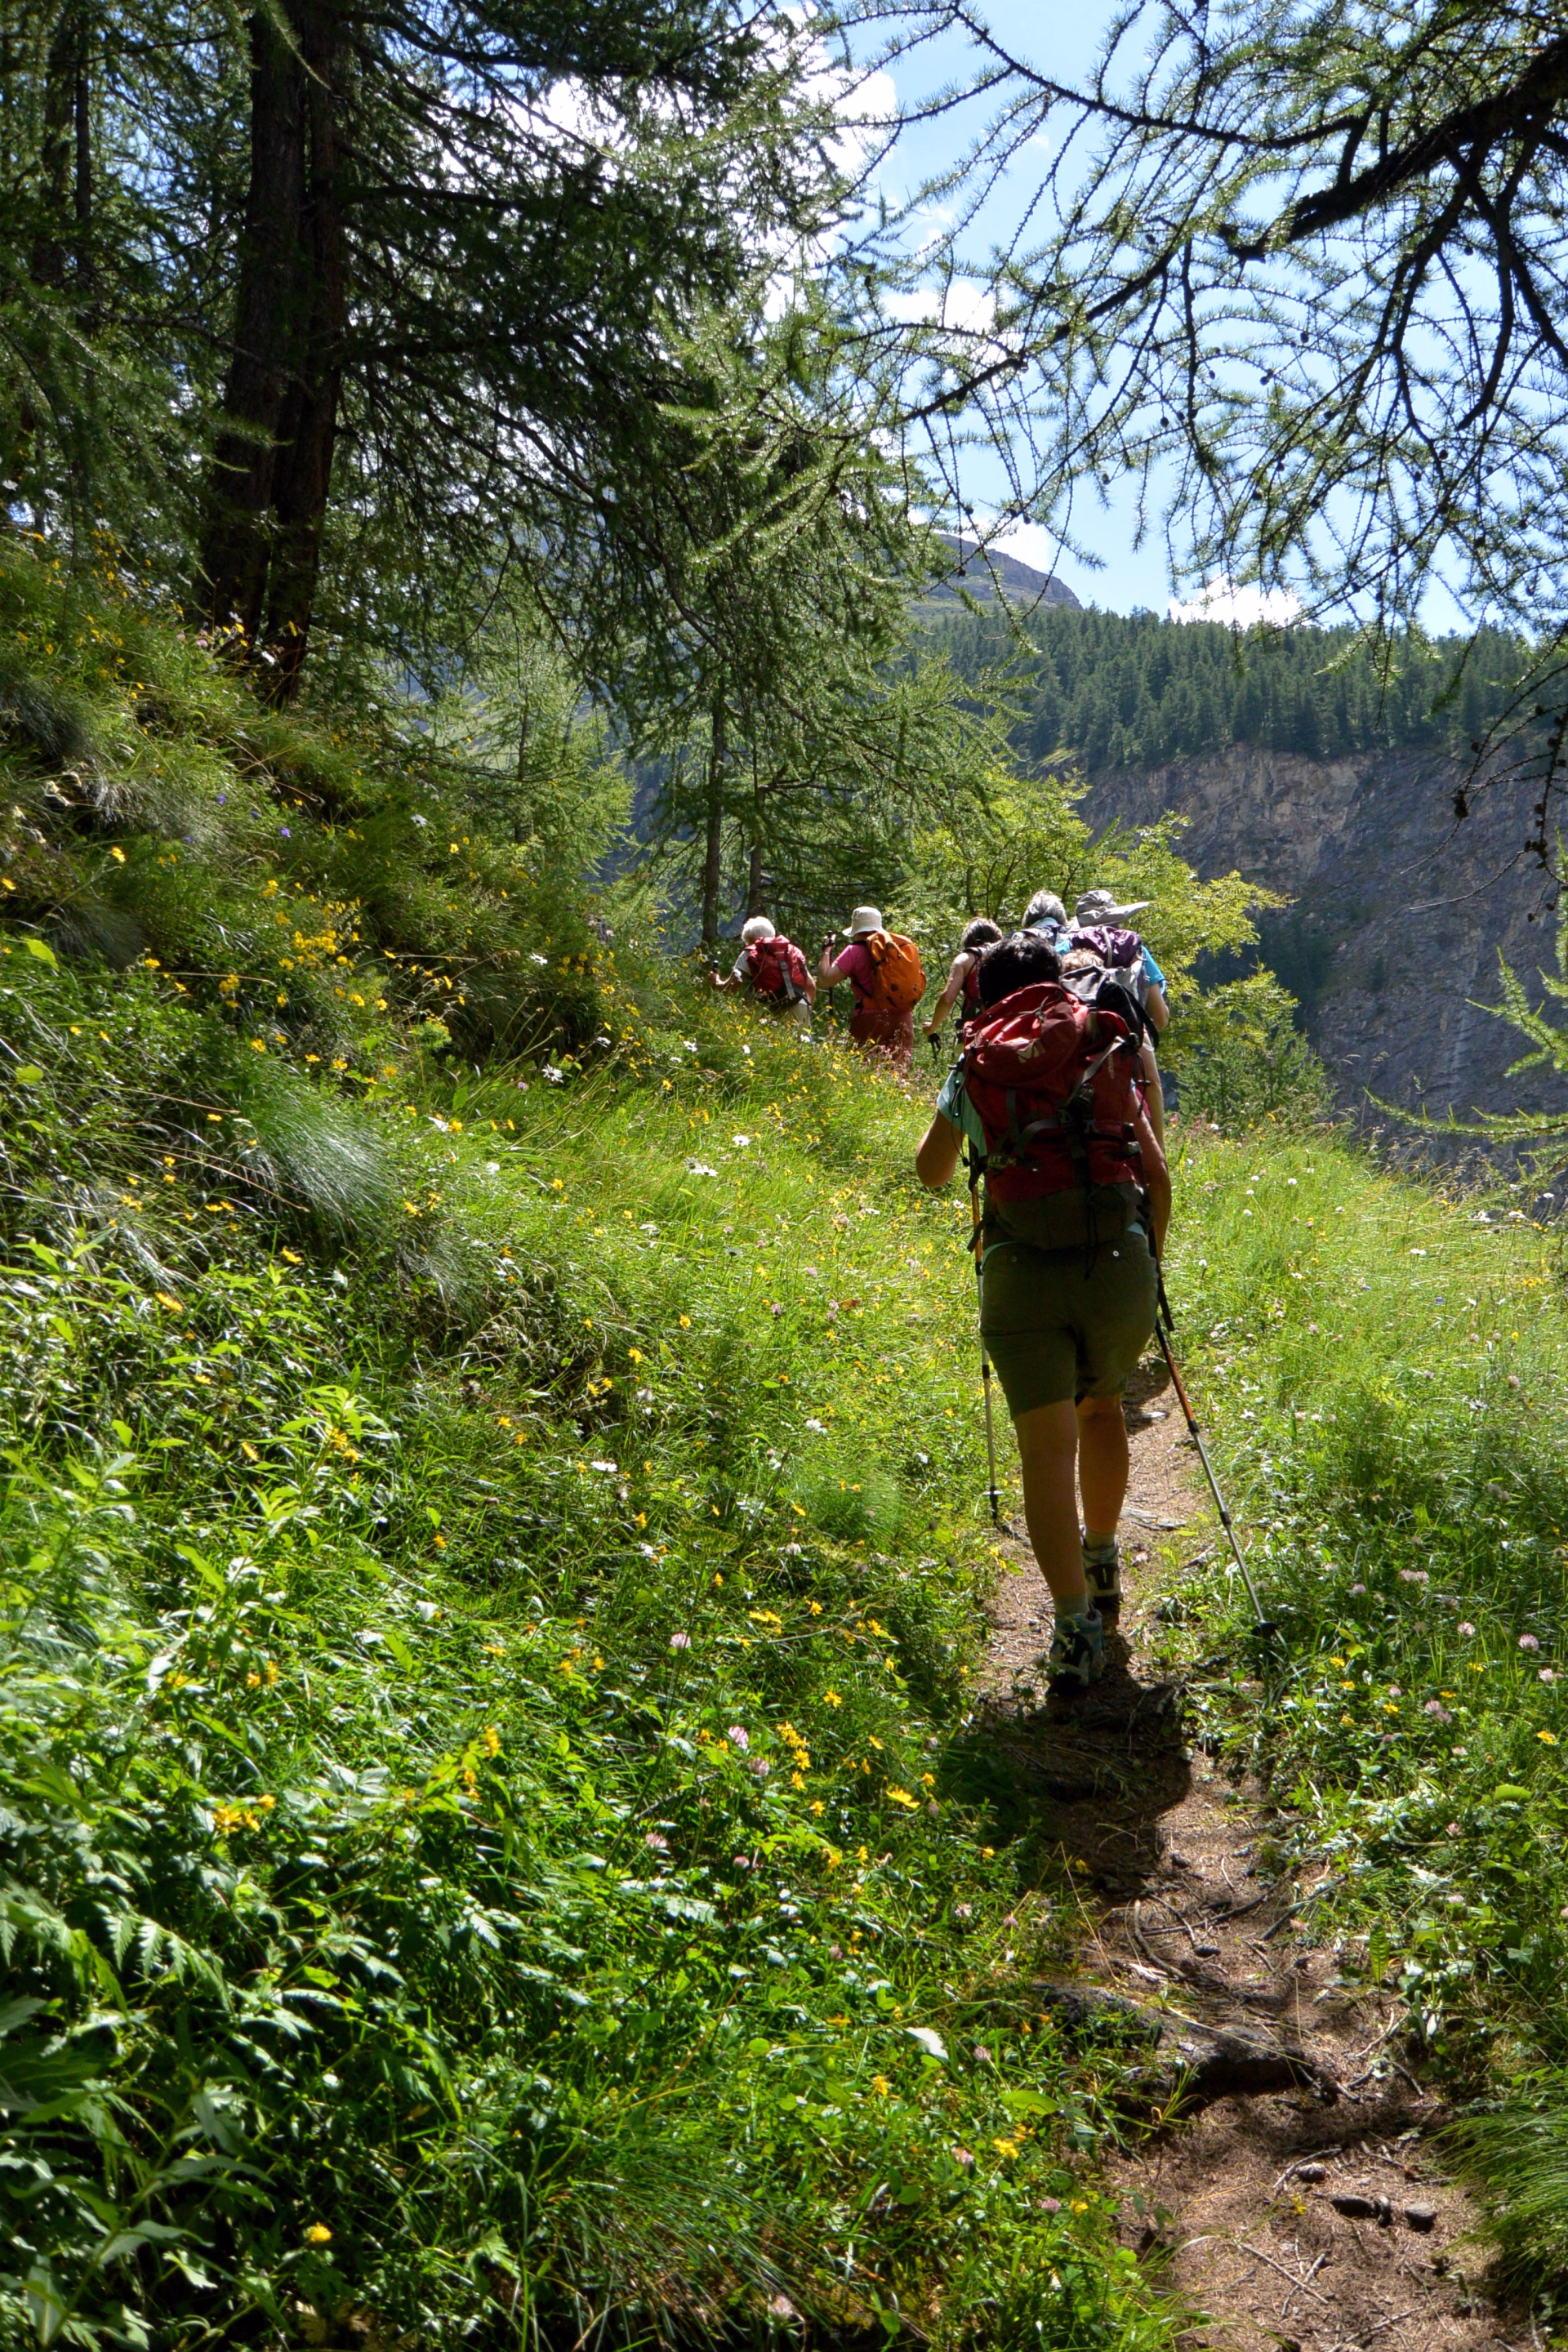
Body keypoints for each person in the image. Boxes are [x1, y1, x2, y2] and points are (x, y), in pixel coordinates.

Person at [914, 927, 1171, 1700]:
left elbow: (931, 1174)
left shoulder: (974, 1062)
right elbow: (1155, 1176)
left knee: (1043, 1450)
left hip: (1020, 1270)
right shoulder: (1105, 1041)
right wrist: (1148, 1259)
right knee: (1103, 1413)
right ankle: (1102, 1553)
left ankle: (1072, 1630)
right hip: (1117, 1263)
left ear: (985, 997)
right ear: (1060, 982)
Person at [1067, 889, 1171, 1147]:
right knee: (1152, 1084)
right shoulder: (1136, 947)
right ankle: (1158, 1160)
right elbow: (1159, 1016)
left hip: (1078, 1036)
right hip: (1127, 1034)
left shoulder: (1064, 945)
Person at [817, 905, 924, 1072]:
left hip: (868, 1019)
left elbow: (825, 981)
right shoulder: (897, 951)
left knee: (861, 1074)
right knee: (898, 1078)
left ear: (857, 931)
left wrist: (826, 952)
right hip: (903, 1017)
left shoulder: (854, 951)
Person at [713, 915, 816, 1024]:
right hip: (799, 1008)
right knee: (799, 1041)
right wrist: (806, 1011)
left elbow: (730, 989)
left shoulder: (750, 953)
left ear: (749, 940)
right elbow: (811, 986)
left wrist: (716, 981)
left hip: (766, 1013)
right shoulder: (792, 951)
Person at [923, 915, 1003, 1043]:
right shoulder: (1007, 955)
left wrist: (933, 1026)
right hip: (1007, 1021)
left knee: (968, 1060)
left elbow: (947, 999)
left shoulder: (965, 959)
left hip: (978, 1026)